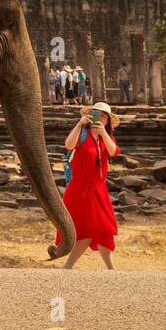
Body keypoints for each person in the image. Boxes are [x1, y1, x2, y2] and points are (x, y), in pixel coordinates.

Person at [54, 101, 121, 269]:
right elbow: (69, 145)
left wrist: (103, 133)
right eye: (97, 114)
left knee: (103, 227)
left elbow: (113, 151)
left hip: (98, 188)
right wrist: (79, 124)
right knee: (83, 230)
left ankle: (109, 267)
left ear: (108, 121)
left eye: (104, 116)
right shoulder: (82, 133)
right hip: (78, 188)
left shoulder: (107, 137)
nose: (100, 118)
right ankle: (70, 266)